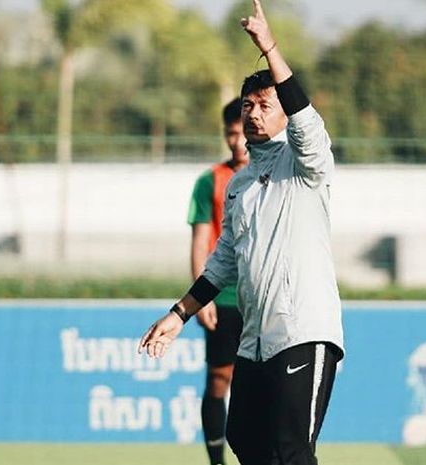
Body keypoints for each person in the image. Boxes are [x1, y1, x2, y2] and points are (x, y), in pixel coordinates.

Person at [139, 1, 344, 464]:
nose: (252, 113)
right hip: (255, 339)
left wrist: (269, 48)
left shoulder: (306, 165)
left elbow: (307, 123)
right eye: (247, 105)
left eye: (264, 105)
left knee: (292, 452)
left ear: (284, 114)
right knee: (245, 440)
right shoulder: (240, 184)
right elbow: (222, 261)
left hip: (303, 332)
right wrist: (178, 314)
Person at [187, 98, 248, 465]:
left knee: (259, 385)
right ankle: (216, 461)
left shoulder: (272, 173)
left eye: (241, 132)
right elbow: (198, 242)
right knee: (218, 381)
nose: (237, 141)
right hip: (222, 298)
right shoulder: (210, 181)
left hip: (260, 297)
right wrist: (200, 298)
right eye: (231, 133)